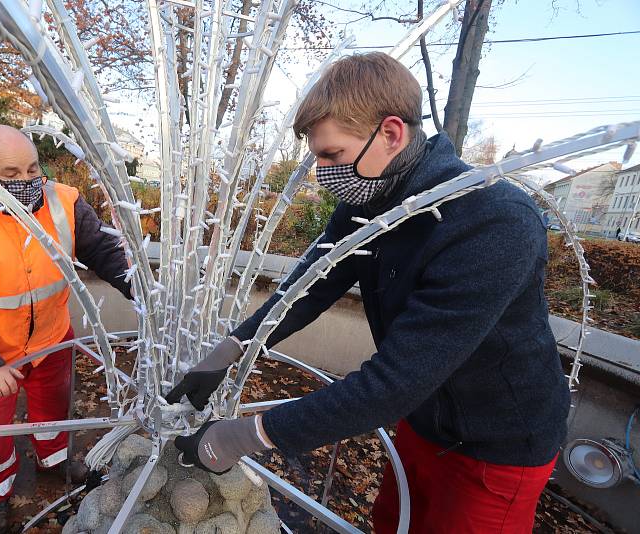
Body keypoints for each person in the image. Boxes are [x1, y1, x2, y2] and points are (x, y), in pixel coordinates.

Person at [166, 53, 570, 533]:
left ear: (392, 133)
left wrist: (243, 435)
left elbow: (395, 381)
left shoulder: (491, 220)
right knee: (392, 523)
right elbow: (311, 287)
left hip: (496, 445)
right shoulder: (374, 196)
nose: (322, 171)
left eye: (333, 155)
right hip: (424, 422)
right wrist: (232, 349)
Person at [0, 125, 133, 533]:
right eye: (11, 174)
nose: (27, 182)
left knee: (53, 407)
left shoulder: (64, 201)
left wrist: (144, 291)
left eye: (33, 170)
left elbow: (104, 252)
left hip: (52, 336)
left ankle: (53, 459)